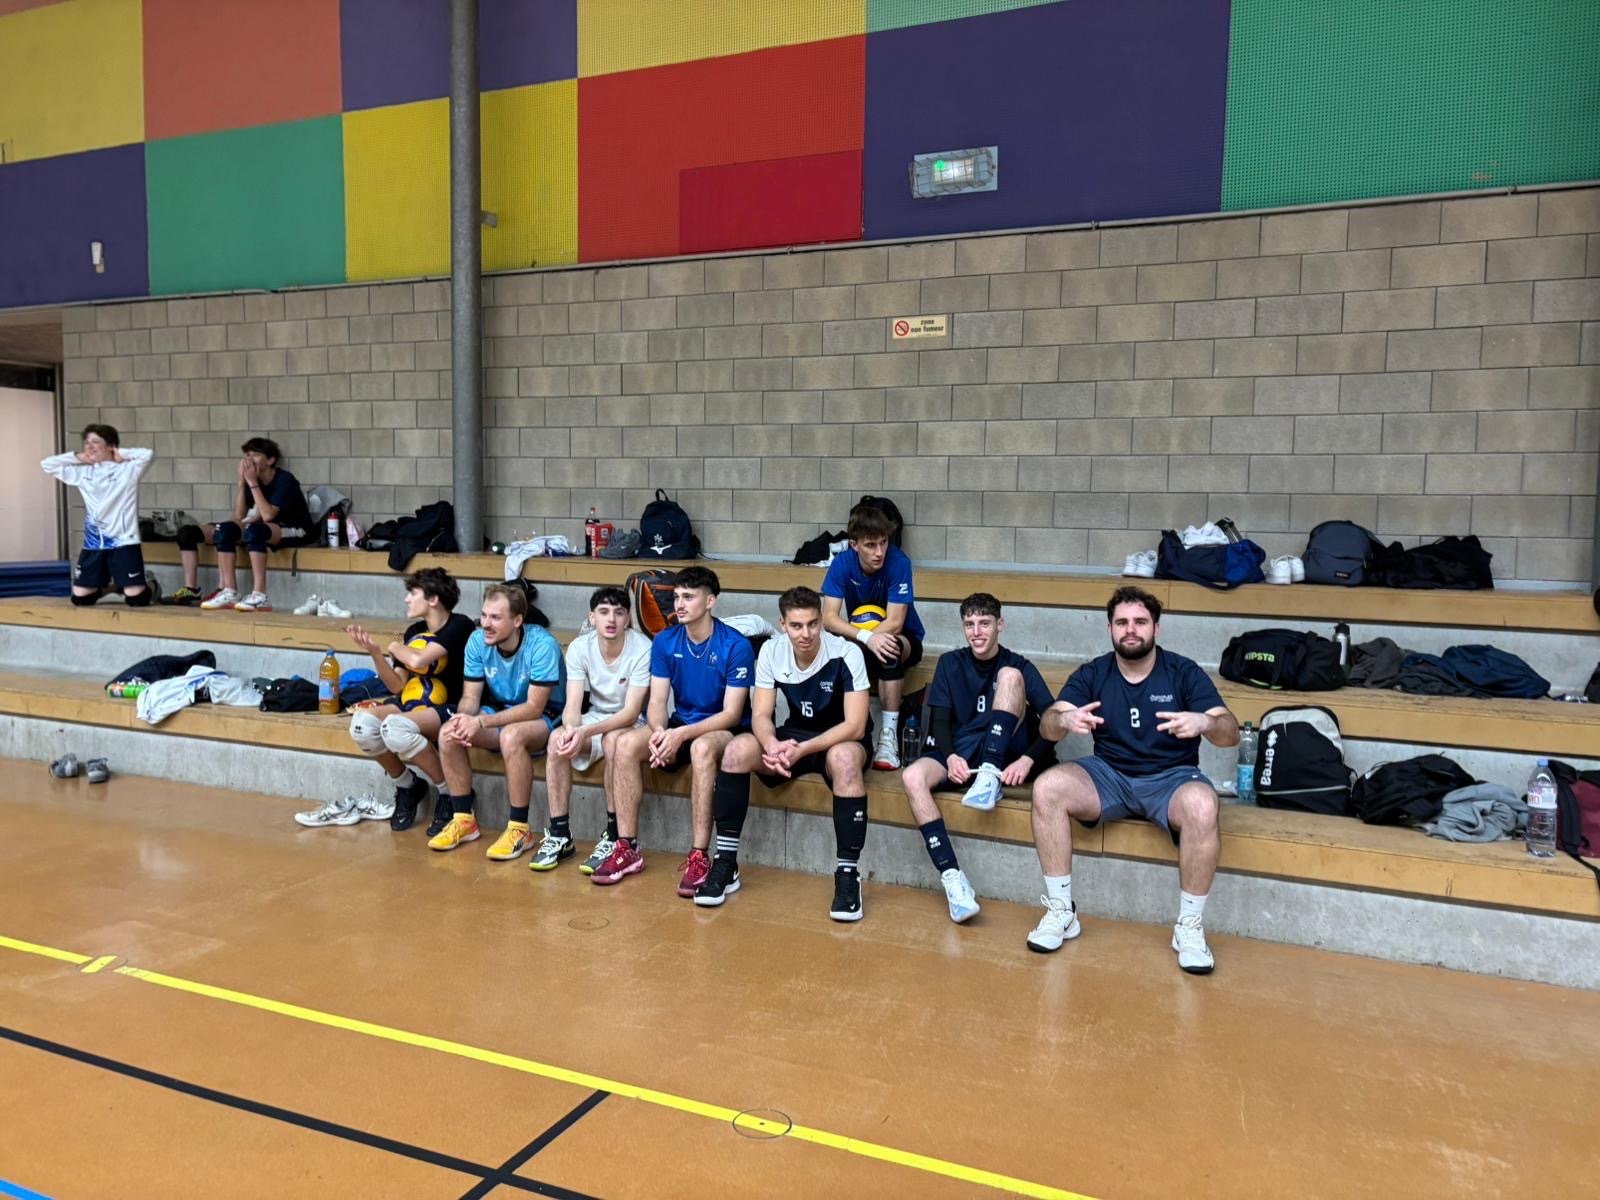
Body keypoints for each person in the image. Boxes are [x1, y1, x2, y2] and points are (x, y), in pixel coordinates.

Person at [1028, 586, 1238, 975]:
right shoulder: (1094, 672)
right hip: (1109, 774)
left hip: (1171, 778)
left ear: (1156, 628)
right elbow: (1048, 724)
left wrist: (1205, 722)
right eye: (1122, 622)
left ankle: (1189, 926)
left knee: (1202, 804)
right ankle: (1061, 911)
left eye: (1140, 622)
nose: (1131, 629)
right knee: (1047, 787)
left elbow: (1230, 733)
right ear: (1109, 628)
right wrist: (1065, 719)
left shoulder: (1183, 672)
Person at [696, 586, 872, 919]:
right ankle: (726, 863)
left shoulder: (846, 653)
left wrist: (802, 750)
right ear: (782, 624)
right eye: (796, 625)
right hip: (794, 735)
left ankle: (848, 875)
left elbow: (856, 726)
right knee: (736, 751)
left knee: (845, 759)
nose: (806, 634)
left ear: (821, 621)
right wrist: (772, 744)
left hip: (839, 737)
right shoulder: (771, 651)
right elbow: (761, 716)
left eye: (812, 624)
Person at [592, 566, 753, 892]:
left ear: (710, 601)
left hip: (723, 728)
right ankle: (627, 846)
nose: (679, 604)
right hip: (681, 723)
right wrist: (659, 733)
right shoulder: (665, 641)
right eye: (677, 597)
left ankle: (699, 856)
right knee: (624, 744)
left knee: (702, 749)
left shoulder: (735, 645)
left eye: (688, 597)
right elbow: (657, 702)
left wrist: (679, 735)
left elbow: (731, 713)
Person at [901, 593, 1057, 924]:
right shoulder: (950, 662)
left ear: (1000, 625)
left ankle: (989, 773)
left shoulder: (1019, 665)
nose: (976, 632)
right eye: (969, 624)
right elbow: (940, 721)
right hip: (961, 750)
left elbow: (1054, 722)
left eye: (984, 623)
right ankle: (953, 879)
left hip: (1004, 754)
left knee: (1010, 676)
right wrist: (950, 757)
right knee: (912, 777)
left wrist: (1028, 760)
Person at [293, 568, 476, 832]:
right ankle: (408, 786)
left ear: (433, 599)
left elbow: (418, 660)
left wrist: (394, 647)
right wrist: (376, 653)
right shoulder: (414, 631)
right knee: (362, 725)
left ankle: (449, 792)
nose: (406, 599)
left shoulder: (460, 625)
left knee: (394, 728)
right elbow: (397, 685)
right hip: (411, 702)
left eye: (413, 593)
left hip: (449, 706)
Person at [427, 584, 566, 855]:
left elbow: (533, 708)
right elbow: (470, 697)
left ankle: (519, 829)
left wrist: (480, 723)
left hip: (547, 715)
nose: (486, 624)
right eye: (484, 615)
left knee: (511, 736)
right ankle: (463, 820)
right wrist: (463, 719)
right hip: (500, 708)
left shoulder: (542, 645)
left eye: (495, 618)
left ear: (517, 620)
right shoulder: (477, 641)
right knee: (448, 733)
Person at [540, 586, 651, 873]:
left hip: (634, 722)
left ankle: (613, 836)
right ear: (592, 618)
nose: (611, 619)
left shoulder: (642, 648)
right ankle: (560, 834)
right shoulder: (580, 647)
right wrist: (571, 730)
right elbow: (573, 705)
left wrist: (585, 733)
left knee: (614, 741)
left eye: (619, 612)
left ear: (628, 618)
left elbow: (630, 712)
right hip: (596, 717)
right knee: (556, 740)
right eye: (603, 612)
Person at [820, 502, 924, 770]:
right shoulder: (842, 564)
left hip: (903, 638)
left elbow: (896, 622)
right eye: (870, 545)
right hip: (862, 638)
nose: (879, 552)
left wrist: (866, 640)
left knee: (889, 648)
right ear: (853, 545)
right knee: (830, 653)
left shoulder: (899, 562)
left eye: (883, 542)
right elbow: (829, 618)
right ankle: (853, 728)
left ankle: (888, 738)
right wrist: (865, 639)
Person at [171, 437, 310, 611]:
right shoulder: (253, 480)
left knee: (254, 531)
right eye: (247, 455)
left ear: (271, 460)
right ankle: (229, 591)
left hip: (295, 528)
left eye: (256, 455)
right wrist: (242, 483)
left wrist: (252, 483)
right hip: (265, 526)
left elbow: (268, 515)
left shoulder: (285, 479)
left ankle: (260, 595)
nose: (249, 460)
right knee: (225, 530)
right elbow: (238, 516)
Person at [40, 424, 154, 606]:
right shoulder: (83, 473)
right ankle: (112, 588)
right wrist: (78, 457)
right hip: (94, 543)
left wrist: (120, 454)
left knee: (136, 599)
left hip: (123, 541)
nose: (89, 446)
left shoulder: (128, 470)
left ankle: (152, 585)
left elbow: (147, 454)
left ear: (110, 445)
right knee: (80, 598)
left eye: (95, 442)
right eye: (87, 442)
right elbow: (47, 464)